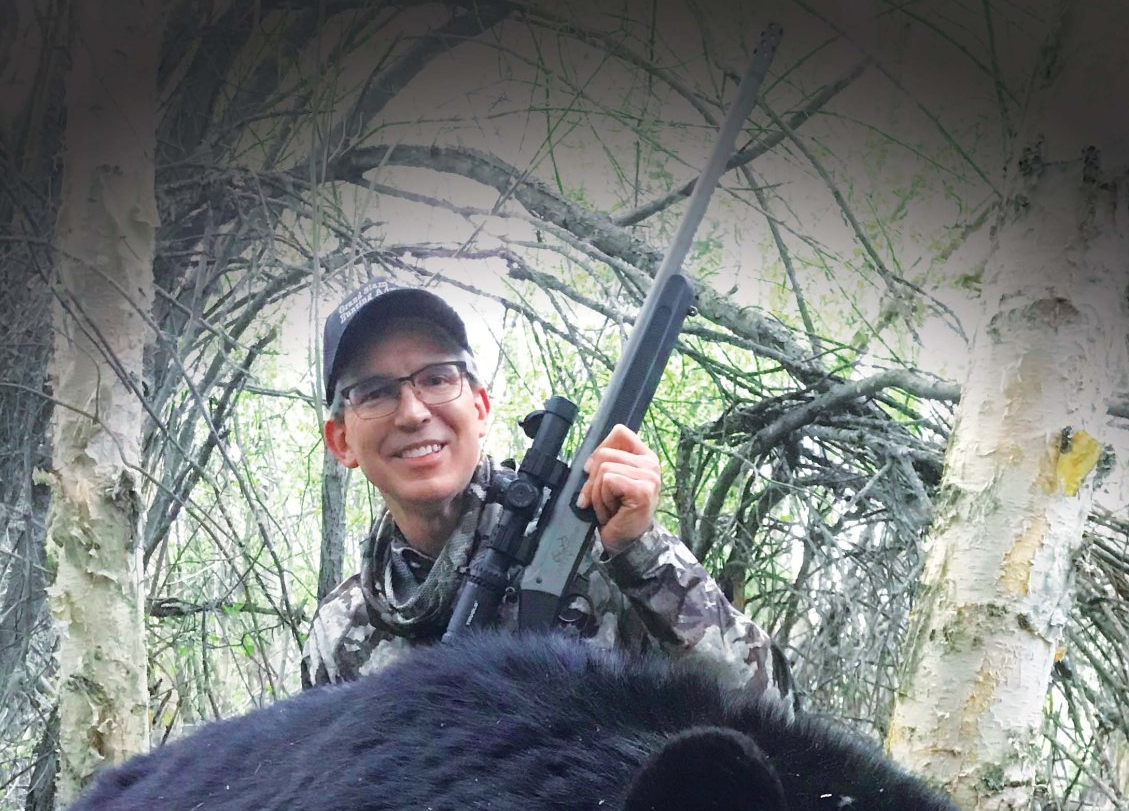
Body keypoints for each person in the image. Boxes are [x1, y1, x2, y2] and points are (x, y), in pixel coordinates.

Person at [303, 280, 784, 700]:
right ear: (341, 441)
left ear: (481, 408)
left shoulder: (597, 552)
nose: (412, 412)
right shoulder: (338, 631)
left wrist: (644, 555)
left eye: (436, 378)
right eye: (375, 392)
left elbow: (770, 707)